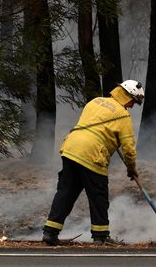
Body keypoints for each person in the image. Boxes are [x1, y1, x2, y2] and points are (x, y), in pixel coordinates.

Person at [42, 80, 144, 246]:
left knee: (65, 192)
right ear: (128, 95)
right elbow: (129, 149)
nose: (132, 106)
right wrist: (131, 169)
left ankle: (50, 232)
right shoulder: (123, 116)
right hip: (92, 154)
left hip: (71, 149)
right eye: (133, 101)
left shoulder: (95, 101)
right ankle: (101, 236)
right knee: (98, 198)